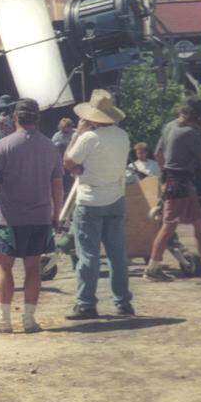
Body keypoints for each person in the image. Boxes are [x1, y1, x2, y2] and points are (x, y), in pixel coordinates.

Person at [0, 99, 64, 333]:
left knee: (4, 267)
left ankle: (3, 319)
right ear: (37, 119)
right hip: (41, 215)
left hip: (11, 217)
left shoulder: (4, 145)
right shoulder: (50, 147)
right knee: (33, 267)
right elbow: (57, 185)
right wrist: (57, 212)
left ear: (15, 118)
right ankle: (29, 319)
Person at [63, 89, 134, 319]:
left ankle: (86, 303)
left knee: (88, 255)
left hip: (90, 200)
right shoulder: (122, 136)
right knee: (117, 254)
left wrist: (77, 134)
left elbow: (67, 162)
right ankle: (123, 302)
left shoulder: (89, 138)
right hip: (115, 196)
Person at [145, 101, 201, 281]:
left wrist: (165, 174)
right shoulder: (189, 132)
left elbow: (157, 154)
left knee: (199, 223)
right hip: (180, 181)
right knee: (169, 225)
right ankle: (152, 270)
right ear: (195, 116)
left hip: (176, 181)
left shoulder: (168, 126)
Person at [52, 117, 76, 195]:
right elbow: (53, 148)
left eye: (66, 129)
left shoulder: (76, 134)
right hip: (61, 160)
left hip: (74, 158)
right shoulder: (57, 135)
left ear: (70, 127)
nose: (63, 131)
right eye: (62, 129)